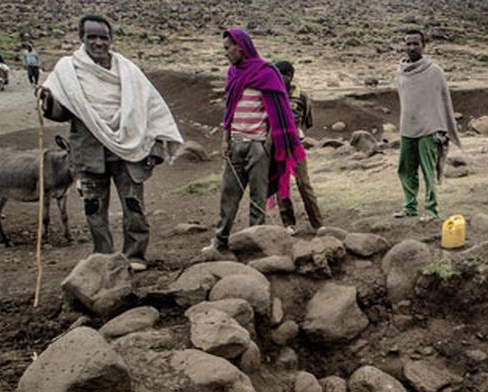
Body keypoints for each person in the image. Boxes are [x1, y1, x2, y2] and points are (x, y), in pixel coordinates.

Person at [40, 14, 183, 271]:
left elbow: (151, 111)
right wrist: (48, 101)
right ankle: (103, 258)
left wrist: (155, 149)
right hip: (89, 153)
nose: (98, 43)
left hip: (129, 151)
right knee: (93, 208)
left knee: (133, 206)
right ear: (81, 38)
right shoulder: (68, 71)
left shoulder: (129, 72)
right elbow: (62, 111)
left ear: (111, 39)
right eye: (91, 37)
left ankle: (135, 255)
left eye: (103, 37)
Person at [202, 28, 305, 257]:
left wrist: (268, 142)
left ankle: (255, 244)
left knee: (258, 198)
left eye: (228, 48)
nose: (225, 53)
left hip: (258, 145)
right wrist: (225, 140)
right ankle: (220, 241)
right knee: (228, 195)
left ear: (240, 47)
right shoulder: (232, 74)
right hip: (236, 144)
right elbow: (229, 110)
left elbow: (278, 111)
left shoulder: (266, 72)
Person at [395, 29, 460, 223]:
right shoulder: (400, 71)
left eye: (416, 43)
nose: (412, 47)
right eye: (408, 44)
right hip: (407, 127)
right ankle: (409, 207)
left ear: (424, 46)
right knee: (405, 170)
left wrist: (443, 127)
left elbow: (444, 100)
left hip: (429, 128)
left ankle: (431, 210)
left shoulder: (434, 71)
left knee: (428, 170)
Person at [271, 60, 323, 233]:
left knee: (304, 184)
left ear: (289, 76)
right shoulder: (271, 94)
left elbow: (308, 121)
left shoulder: (301, 96)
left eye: (279, 76)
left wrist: (296, 135)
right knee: (282, 185)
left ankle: (318, 224)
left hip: (295, 146)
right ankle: (288, 224)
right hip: (277, 146)